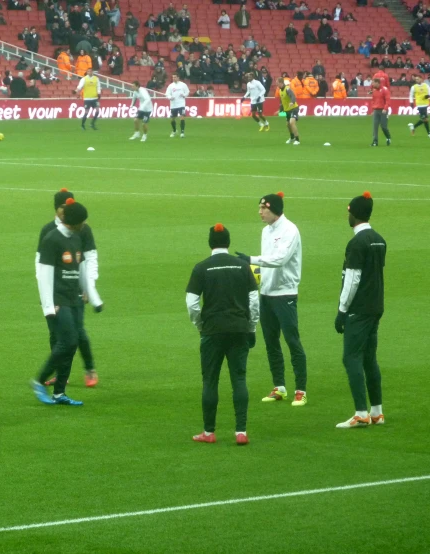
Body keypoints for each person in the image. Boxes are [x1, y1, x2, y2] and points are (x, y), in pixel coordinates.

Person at [186, 223, 259, 446]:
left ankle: (209, 432)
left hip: (212, 331)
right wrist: (252, 326)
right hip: (239, 329)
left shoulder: (201, 268)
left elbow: (191, 303)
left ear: (210, 243)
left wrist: (200, 324)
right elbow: (254, 301)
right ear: (228, 242)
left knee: (210, 381)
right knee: (239, 379)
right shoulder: (243, 266)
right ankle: (241, 432)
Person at [236, 192, 307, 406]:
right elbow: (268, 262)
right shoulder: (266, 231)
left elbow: (280, 259)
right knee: (271, 342)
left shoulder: (290, 230)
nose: (260, 213)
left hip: (285, 293)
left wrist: (251, 260)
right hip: (266, 293)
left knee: (292, 341)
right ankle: (280, 387)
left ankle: (301, 390)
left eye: (263, 209)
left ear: (273, 209)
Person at [36, 189, 102, 388]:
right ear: (57, 209)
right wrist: (47, 299)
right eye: (63, 207)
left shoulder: (81, 230)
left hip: (75, 291)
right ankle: (59, 375)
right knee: (58, 336)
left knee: (77, 333)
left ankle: (89, 368)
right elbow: (41, 266)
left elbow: (88, 259)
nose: (66, 211)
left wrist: (88, 287)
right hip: (55, 294)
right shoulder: (48, 232)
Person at [31, 199, 91, 407]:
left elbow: (79, 267)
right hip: (57, 300)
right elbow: (44, 274)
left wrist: (86, 290)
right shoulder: (52, 239)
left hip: (73, 297)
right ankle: (39, 381)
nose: (84, 224)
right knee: (67, 341)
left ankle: (59, 393)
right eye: (82, 221)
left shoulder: (75, 239)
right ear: (74, 221)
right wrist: (48, 305)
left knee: (72, 344)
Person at [335, 192, 386, 429]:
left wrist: (342, 310)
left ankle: (361, 413)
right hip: (376, 307)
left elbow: (352, 280)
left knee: (351, 357)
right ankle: (377, 412)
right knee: (369, 358)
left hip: (359, 309)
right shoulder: (379, 239)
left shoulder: (356, 243)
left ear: (353, 214)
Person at [275, 77, 300, 145]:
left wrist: (292, 102)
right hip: (287, 110)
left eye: (277, 83)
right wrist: (280, 110)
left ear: (281, 83)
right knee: (288, 125)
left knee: (292, 122)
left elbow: (293, 96)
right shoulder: (280, 91)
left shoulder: (287, 89)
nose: (277, 85)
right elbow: (282, 102)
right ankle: (292, 138)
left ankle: (297, 139)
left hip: (293, 108)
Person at [166, 73, 189, 138]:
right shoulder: (170, 86)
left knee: (182, 117)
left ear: (178, 78)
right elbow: (167, 94)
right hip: (173, 104)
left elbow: (187, 92)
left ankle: (182, 132)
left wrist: (184, 95)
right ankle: (174, 130)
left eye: (175, 77)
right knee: (172, 119)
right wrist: (170, 97)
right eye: (173, 77)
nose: (173, 78)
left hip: (181, 104)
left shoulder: (183, 85)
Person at [369, 78, 391, 147]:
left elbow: (388, 100)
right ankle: (375, 142)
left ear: (378, 83)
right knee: (375, 126)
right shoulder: (374, 90)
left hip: (383, 110)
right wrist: (372, 110)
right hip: (376, 110)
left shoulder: (385, 90)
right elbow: (373, 100)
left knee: (383, 126)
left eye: (373, 83)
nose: (372, 84)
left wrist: (385, 108)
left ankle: (388, 137)